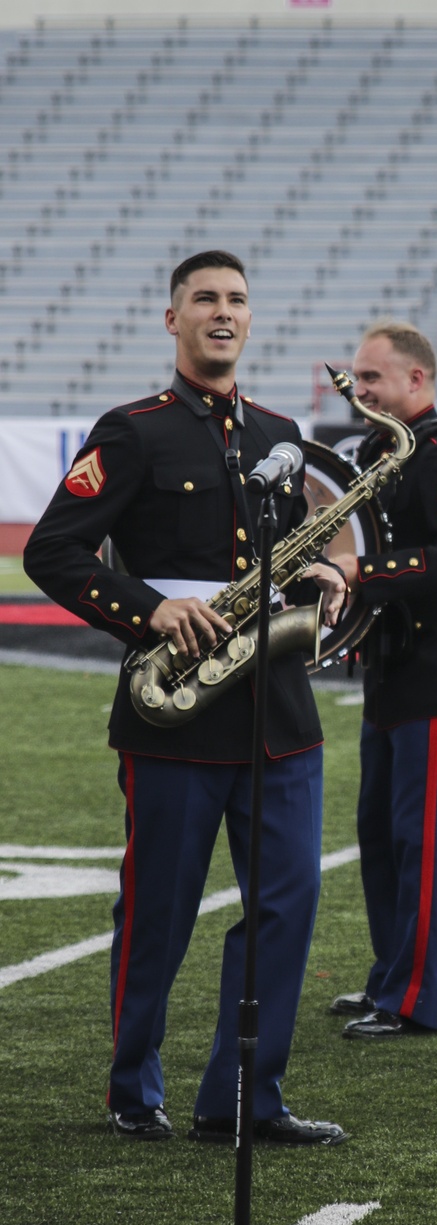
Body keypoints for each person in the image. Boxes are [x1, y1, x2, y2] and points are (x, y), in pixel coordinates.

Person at [23, 249, 349, 1145]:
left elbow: (277, 547)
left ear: (251, 319)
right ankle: (134, 1086)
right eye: (204, 298)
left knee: (286, 907)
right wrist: (149, 609)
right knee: (159, 909)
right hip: (174, 710)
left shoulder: (279, 430)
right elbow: (51, 552)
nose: (222, 311)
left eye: (237, 300)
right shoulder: (132, 430)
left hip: (277, 714)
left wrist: (318, 569)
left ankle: (245, 1098)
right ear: (173, 320)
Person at [325, 322, 437, 1039]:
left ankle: (417, 998)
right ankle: (388, 977)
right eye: (358, 379)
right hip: (394, 666)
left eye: (372, 380)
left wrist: (363, 574)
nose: (358, 392)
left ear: (416, 381)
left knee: (424, 840)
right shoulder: (376, 450)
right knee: (382, 834)